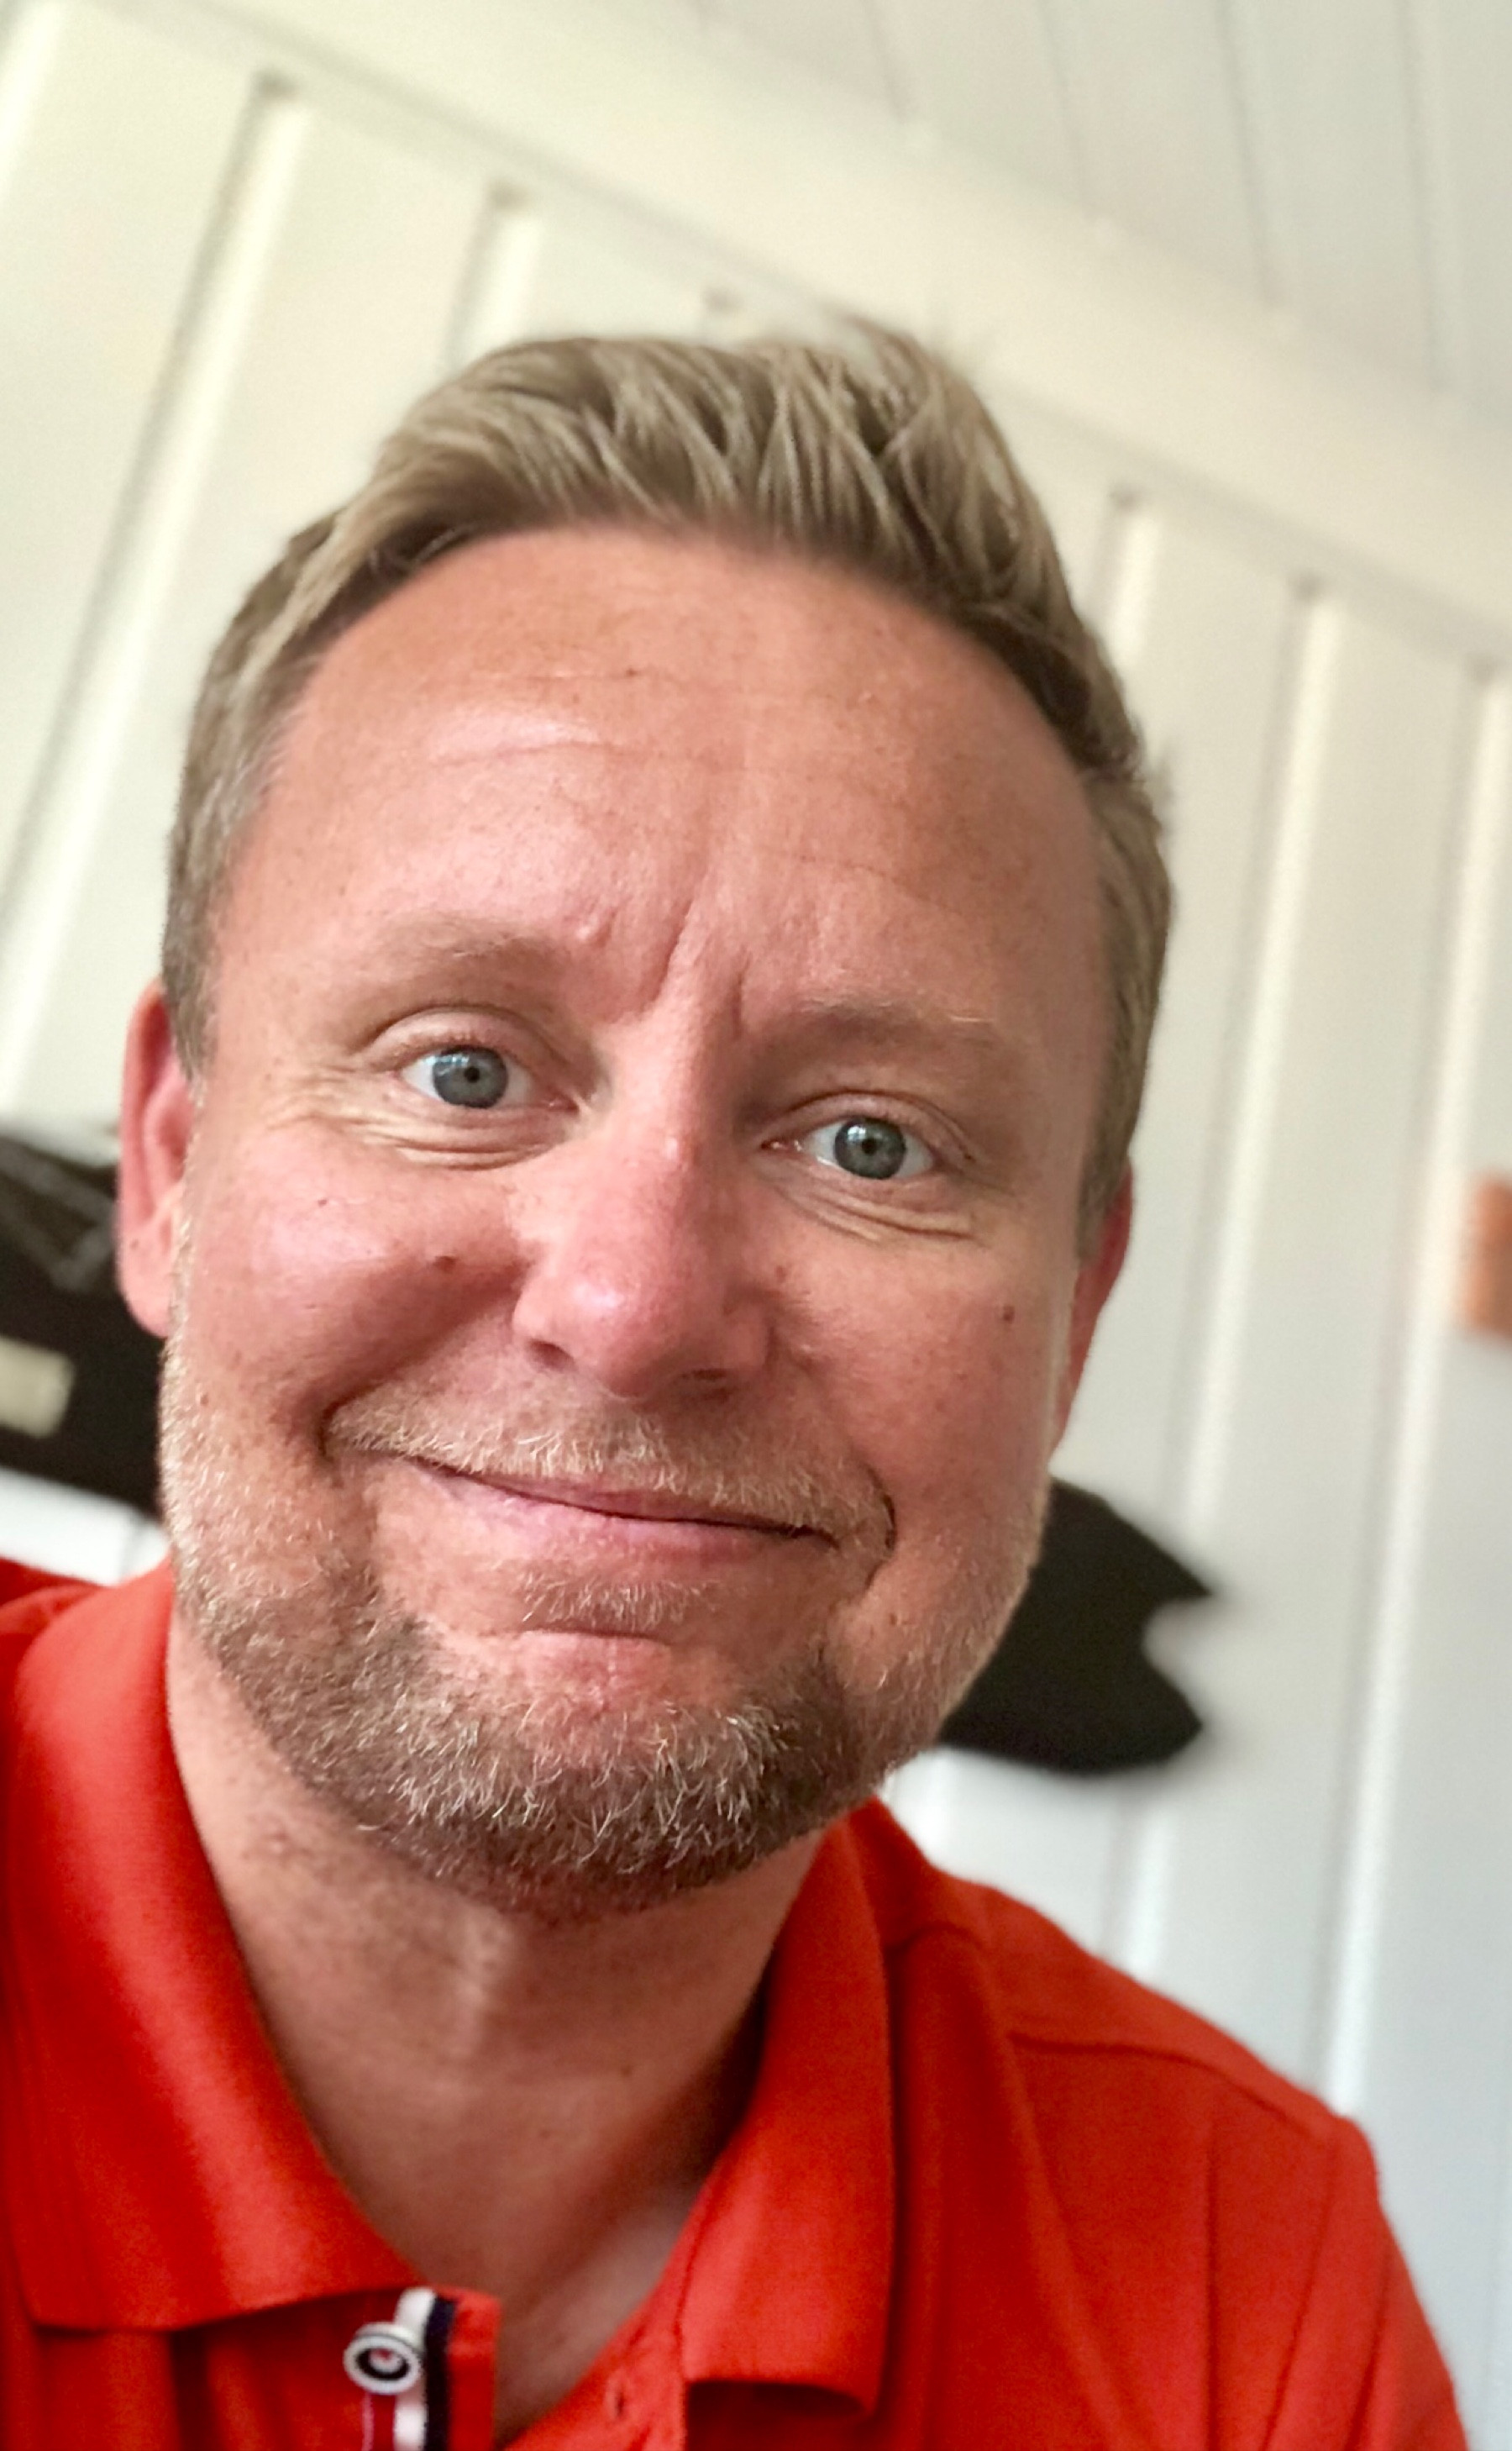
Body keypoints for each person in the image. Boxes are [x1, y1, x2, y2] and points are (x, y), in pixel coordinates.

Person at [0, 329, 1463, 2450]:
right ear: (169, 1166)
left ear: (1075, 1317)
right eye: (463, 1068)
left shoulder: (1256, 2303)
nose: (633, 1302)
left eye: (873, 1140)